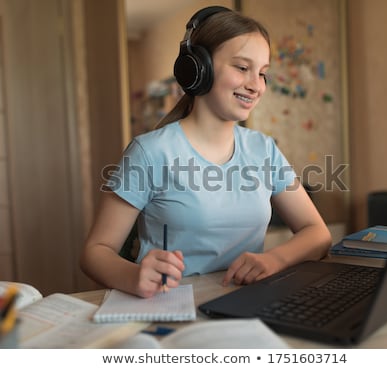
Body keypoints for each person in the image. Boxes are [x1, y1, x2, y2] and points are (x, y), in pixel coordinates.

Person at [80, 6, 331, 298]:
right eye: (241, 67)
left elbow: (317, 233)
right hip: (170, 306)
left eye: (262, 73)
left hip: (243, 304)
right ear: (198, 68)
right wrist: (133, 275)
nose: (256, 85)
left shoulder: (264, 150)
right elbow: (95, 252)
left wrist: (274, 259)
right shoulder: (150, 152)